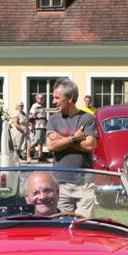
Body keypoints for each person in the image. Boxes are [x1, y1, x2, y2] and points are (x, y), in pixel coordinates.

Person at [46, 78, 98, 217]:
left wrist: (61, 140)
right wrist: (74, 138)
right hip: (60, 184)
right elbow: (51, 146)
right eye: (53, 98)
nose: (53, 102)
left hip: (84, 184)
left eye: (57, 98)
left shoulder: (88, 118)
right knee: (62, 226)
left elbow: (89, 145)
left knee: (84, 226)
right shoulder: (53, 119)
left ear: (70, 98)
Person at [28, 93, 48, 161]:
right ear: (36, 99)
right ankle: (26, 151)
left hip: (43, 126)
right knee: (37, 140)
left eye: (42, 98)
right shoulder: (35, 106)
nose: (41, 99)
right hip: (37, 126)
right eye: (40, 98)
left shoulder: (42, 106)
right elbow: (31, 116)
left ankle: (40, 156)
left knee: (41, 142)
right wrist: (31, 126)